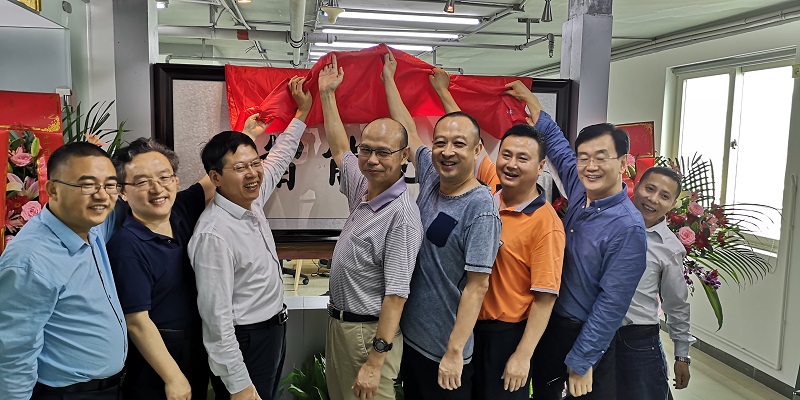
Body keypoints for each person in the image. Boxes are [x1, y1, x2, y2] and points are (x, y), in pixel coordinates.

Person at [504, 81, 647, 399]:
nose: (590, 166)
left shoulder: (628, 228)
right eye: (584, 158)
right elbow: (558, 148)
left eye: (601, 158)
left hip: (583, 334)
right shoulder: (582, 188)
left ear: (623, 162)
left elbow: (612, 304)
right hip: (551, 324)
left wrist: (582, 361)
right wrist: (531, 102)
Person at [428, 69, 566, 399]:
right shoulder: (490, 190)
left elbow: (545, 299)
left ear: (541, 167)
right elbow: (465, 139)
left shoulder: (546, 224)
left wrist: (522, 356)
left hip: (505, 336)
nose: (511, 164)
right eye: (506, 155)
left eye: (523, 158)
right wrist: (443, 92)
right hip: (466, 326)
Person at [382, 50, 501, 400]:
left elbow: (477, 287)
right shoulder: (434, 177)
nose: (447, 151)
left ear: (477, 150)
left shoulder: (480, 208)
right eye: (440, 142)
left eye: (459, 144)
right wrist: (389, 79)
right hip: (412, 340)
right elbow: (407, 129)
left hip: (444, 353)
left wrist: (454, 352)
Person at [188, 76, 311, 400]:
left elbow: (279, 157)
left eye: (255, 163)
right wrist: (239, 385)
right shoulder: (213, 235)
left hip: (273, 331)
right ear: (215, 177)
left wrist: (301, 114)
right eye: (241, 168)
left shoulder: (251, 201)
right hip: (245, 341)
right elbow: (216, 322)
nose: (253, 173)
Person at [318, 54, 423, 400]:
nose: (372, 159)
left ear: (404, 157)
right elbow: (339, 148)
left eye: (384, 152)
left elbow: (396, 296)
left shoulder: (401, 216)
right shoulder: (364, 186)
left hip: (368, 336)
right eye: (366, 150)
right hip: (341, 328)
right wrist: (328, 94)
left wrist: (376, 360)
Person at [0, 142, 126, 400]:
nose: (102, 195)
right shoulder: (31, 260)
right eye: (88, 185)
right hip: (66, 394)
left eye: (110, 185)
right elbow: (13, 352)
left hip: (110, 387)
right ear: (53, 190)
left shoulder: (90, 226)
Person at [617, 166, 695, 400]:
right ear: (637, 186)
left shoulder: (669, 247)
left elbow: (676, 304)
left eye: (664, 196)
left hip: (638, 342)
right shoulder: (608, 225)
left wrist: (682, 355)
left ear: (672, 204)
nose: (653, 199)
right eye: (649, 189)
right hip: (594, 336)